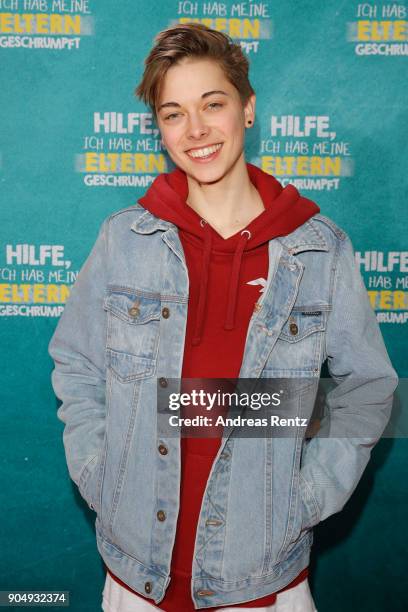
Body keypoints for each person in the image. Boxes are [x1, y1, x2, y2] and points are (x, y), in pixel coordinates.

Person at [48, 23, 398, 612]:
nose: (197, 131)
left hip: (264, 581)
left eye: (213, 104)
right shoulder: (124, 240)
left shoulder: (319, 250)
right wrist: (99, 474)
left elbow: (369, 388)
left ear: (248, 108)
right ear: (158, 128)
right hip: (135, 577)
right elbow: (78, 368)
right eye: (173, 113)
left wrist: (303, 499)